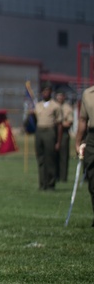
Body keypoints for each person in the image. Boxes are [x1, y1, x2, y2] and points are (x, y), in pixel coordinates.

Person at [29, 84, 61, 190]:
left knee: (50, 159)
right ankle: (42, 183)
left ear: (51, 92)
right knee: (41, 158)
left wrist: (58, 141)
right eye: (43, 91)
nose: (45, 93)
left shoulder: (55, 106)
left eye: (47, 91)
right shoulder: (38, 105)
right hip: (39, 131)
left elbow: (59, 124)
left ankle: (51, 183)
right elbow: (33, 121)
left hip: (50, 131)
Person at [76, 85, 94, 226]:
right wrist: (78, 142)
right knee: (92, 176)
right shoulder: (87, 94)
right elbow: (83, 120)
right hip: (92, 137)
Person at [56, 90, 74, 183]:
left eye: (61, 96)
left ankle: (63, 177)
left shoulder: (67, 108)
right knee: (54, 156)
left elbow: (69, 122)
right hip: (54, 133)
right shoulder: (54, 106)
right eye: (58, 96)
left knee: (63, 156)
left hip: (63, 133)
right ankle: (55, 176)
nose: (59, 98)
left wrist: (60, 125)